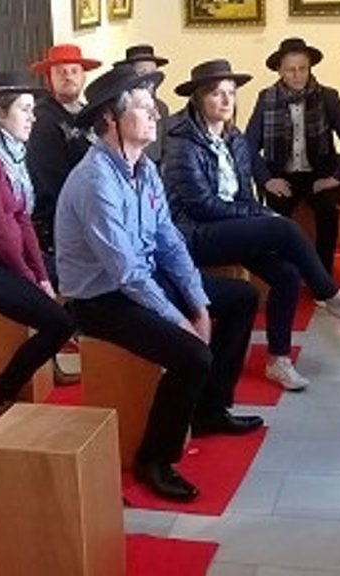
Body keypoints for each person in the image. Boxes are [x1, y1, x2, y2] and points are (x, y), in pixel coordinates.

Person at [55, 66, 263, 502]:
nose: (156, 115)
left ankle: (209, 409)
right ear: (111, 118)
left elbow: (168, 240)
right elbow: (125, 272)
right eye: (144, 108)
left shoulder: (144, 167)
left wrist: (198, 302)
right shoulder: (95, 180)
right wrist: (180, 322)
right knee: (192, 354)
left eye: (154, 107)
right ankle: (155, 458)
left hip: (141, 279)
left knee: (241, 298)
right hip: (100, 298)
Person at [161, 59, 340, 392]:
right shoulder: (182, 141)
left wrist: (258, 213)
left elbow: (245, 195)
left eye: (231, 93)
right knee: (282, 227)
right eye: (216, 94)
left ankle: (278, 360)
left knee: (287, 275)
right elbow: (201, 206)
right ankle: (333, 297)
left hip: (228, 226)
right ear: (198, 98)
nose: (226, 100)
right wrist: (261, 216)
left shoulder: (234, 138)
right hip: (193, 232)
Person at [0, 72, 75, 415]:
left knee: (77, 280)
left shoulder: (12, 154)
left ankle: (50, 364)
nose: (33, 117)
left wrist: (42, 275)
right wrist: (32, 279)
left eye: (32, 109)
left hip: (5, 259)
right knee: (59, 323)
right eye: (24, 109)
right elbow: (0, 233)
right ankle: (2, 389)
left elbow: (22, 220)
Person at [245, 37, 340, 274]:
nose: (297, 75)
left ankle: (323, 273)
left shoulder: (327, 97)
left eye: (303, 68)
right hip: (282, 174)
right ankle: (285, 272)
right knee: (276, 219)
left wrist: (337, 178)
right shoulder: (266, 98)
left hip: (318, 174)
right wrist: (267, 180)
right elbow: (248, 144)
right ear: (280, 71)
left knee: (328, 211)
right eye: (291, 70)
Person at [26, 43, 103, 260]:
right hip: (62, 221)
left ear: (83, 76)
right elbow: (54, 182)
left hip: (93, 210)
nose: (68, 77)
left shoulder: (90, 113)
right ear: (49, 78)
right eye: (60, 72)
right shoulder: (42, 119)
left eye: (74, 71)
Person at [113, 44, 172, 162]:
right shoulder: (118, 107)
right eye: (142, 73)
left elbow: (166, 147)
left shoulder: (162, 107)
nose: (150, 79)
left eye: (153, 73)